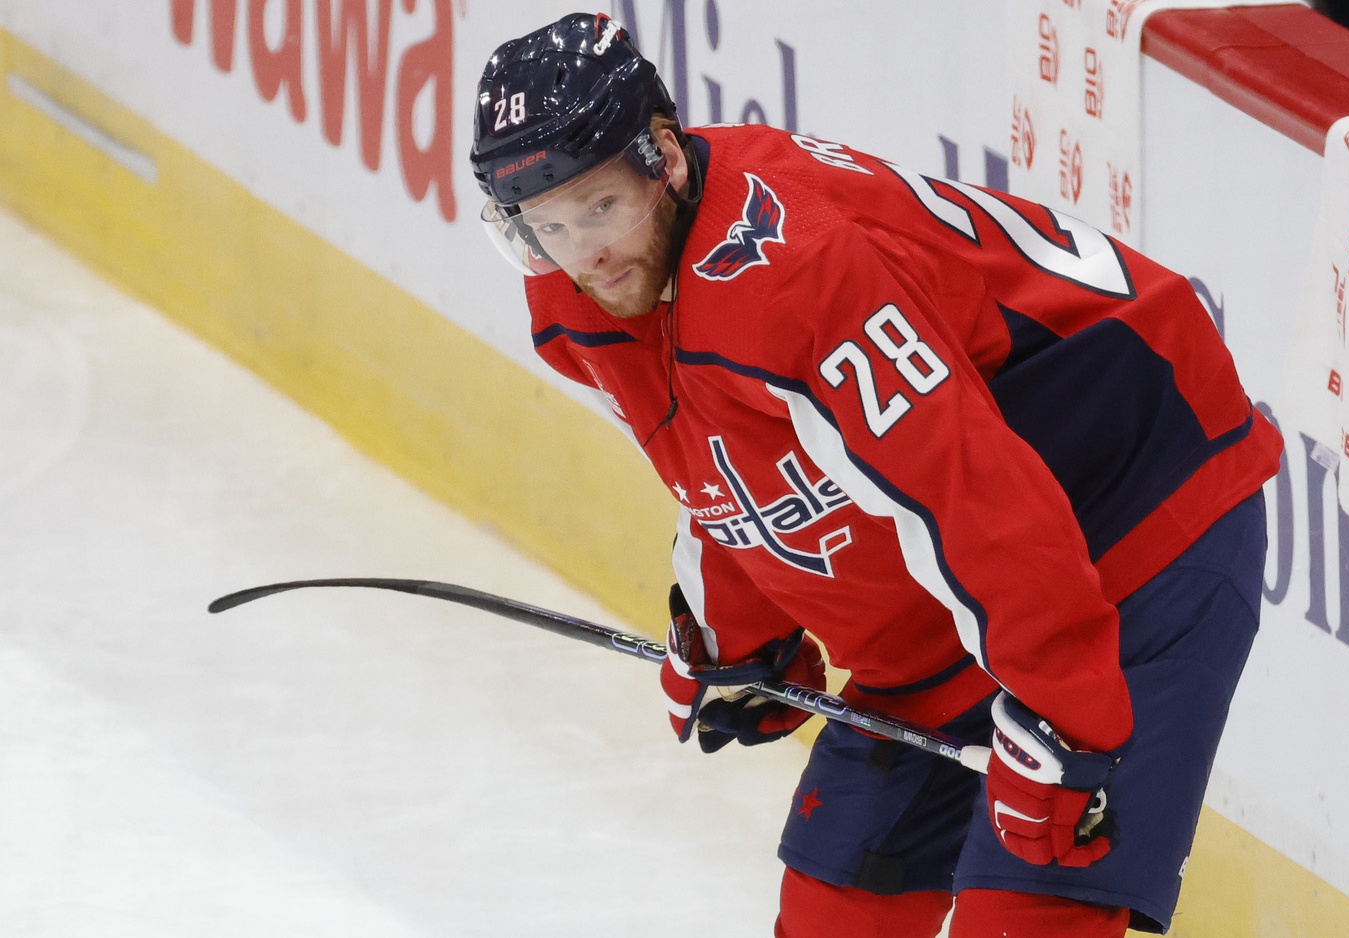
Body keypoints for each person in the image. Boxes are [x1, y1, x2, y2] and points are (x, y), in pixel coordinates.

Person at [470, 13, 1283, 938]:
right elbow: (711, 447)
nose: (584, 254)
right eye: (545, 225)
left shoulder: (794, 271)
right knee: (833, 912)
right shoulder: (574, 287)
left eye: (601, 209)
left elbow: (968, 486)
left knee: (1024, 908)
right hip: (971, 577)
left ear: (665, 158)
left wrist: (1067, 719)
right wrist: (739, 633)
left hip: (1140, 510)